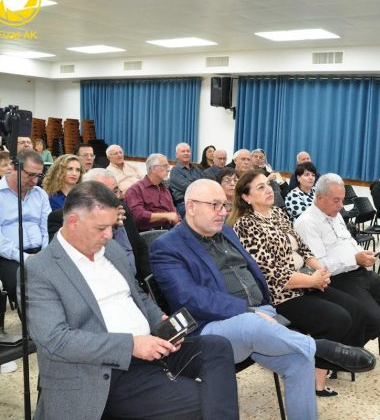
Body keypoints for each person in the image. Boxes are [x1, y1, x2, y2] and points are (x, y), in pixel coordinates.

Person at [149, 179, 376, 418]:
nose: (223, 212)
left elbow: (255, 271)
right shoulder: (167, 247)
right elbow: (191, 299)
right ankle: (318, 346)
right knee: (255, 325)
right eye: (215, 205)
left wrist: (264, 307)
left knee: (300, 360)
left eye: (224, 205)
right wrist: (249, 311)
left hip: (261, 316)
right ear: (191, 207)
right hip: (211, 328)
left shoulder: (225, 231)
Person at [23, 180, 239, 420]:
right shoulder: (41, 269)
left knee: (217, 347)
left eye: (113, 226)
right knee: (203, 400)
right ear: (73, 222)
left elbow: (137, 296)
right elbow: (56, 340)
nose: (109, 235)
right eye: (101, 228)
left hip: (150, 348)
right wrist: (131, 345)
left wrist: (160, 321)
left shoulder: (111, 250)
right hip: (102, 371)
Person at [231, 170, 374, 396]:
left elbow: (304, 249)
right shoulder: (245, 225)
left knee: (355, 309)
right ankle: (316, 378)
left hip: (305, 282)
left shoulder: (278, 213)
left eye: (267, 184)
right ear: (246, 197)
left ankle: (327, 364)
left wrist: (321, 271)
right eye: (260, 187)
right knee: (337, 318)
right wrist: (312, 280)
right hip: (280, 294)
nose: (269, 190)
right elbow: (271, 273)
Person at [294, 173, 380, 346]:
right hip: (337, 279)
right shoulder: (307, 223)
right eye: (336, 200)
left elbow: (349, 241)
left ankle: (352, 344)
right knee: (375, 319)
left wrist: (363, 254)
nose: (341, 205)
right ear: (319, 197)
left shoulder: (335, 214)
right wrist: (354, 259)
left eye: (342, 200)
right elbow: (319, 267)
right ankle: (346, 350)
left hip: (358, 271)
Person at [48, 168, 151, 288]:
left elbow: (138, 246)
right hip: (96, 285)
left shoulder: (122, 209)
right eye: (105, 194)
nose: (113, 199)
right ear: (85, 194)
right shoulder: (61, 218)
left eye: (115, 191)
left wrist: (146, 284)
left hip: (134, 284)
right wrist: (107, 225)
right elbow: (66, 259)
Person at [0, 149, 50, 309]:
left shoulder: (40, 194)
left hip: (41, 252)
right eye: (30, 175)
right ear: (15, 168)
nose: (35, 180)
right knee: (25, 288)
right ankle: (33, 324)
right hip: (9, 255)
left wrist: (45, 252)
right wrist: (25, 258)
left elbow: (46, 228)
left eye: (39, 175)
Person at [124, 153, 180, 231]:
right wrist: (166, 215)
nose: (168, 169)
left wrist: (178, 223)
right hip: (148, 232)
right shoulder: (135, 190)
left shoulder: (164, 189)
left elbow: (173, 212)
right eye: (165, 166)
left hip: (167, 230)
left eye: (168, 166)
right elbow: (138, 215)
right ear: (153, 168)